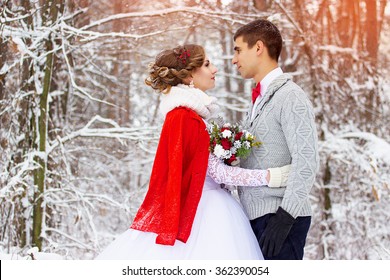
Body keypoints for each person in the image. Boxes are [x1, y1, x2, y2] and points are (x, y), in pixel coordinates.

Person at [95, 44, 290, 260]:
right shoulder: (187, 118)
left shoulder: (187, 115)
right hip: (207, 213)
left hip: (206, 204)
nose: (215, 69)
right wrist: (271, 176)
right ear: (189, 76)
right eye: (207, 64)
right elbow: (217, 174)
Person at [232, 19, 319, 260]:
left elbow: (307, 161)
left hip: (280, 218)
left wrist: (285, 217)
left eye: (238, 50)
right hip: (257, 218)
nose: (234, 59)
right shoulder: (260, 99)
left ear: (258, 48)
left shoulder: (291, 97)